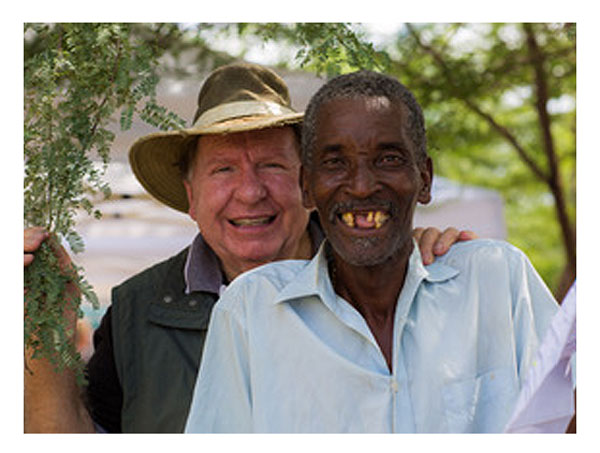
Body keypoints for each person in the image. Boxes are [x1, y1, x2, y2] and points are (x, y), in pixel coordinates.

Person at [24, 63, 473, 433]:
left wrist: (406, 260)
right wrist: (41, 332)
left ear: (308, 183)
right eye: (223, 170)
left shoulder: (387, 283)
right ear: (191, 196)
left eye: (271, 165)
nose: (250, 192)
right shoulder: (135, 310)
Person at [184, 70, 560, 433]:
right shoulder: (250, 311)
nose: (362, 186)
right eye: (335, 163)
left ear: (424, 179)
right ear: (307, 188)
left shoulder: (495, 278)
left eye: (389, 159)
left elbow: (571, 418)